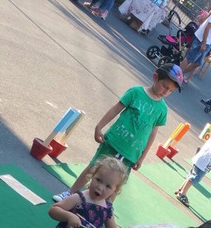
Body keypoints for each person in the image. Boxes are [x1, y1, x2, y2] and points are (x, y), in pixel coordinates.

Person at [52, 63, 183, 202]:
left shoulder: (162, 109)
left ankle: (104, 210)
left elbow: (152, 133)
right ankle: (70, 193)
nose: (166, 92)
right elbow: (116, 109)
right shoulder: (136, 93)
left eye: (170, 91)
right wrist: (99, 127)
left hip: (132, 153)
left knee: (116, 183)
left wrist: (142, 157)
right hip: (113, 142)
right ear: (155, 77)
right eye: (165, 86)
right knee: (94, 168)